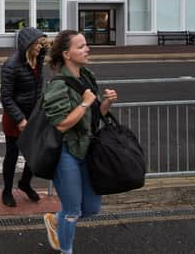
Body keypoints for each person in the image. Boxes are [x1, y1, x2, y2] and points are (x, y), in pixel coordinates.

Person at [42, 30, 118, 254]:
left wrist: (105, 104)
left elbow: (93, 117)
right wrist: (85, 103)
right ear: (67, 54)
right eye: (81, 46)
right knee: (73, 210)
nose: (87, 49)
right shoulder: (58, 85)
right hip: (66, 152)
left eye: (86, 45)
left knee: (92, 208)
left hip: (87, 149)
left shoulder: (87, 76)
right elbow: (62, 124)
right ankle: (66, 249)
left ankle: (55, 220)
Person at [0, 27, 49, 207]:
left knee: (34, 154)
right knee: (12, 155)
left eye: (40, 44)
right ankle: (6, 191)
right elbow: (6, 97)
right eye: (36, 44)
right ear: (27, 45)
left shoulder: (38, 60)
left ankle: (25, 183)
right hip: (15, 119)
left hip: (33, 115)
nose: (39, 47)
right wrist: (20, 119)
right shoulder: (11, 65)